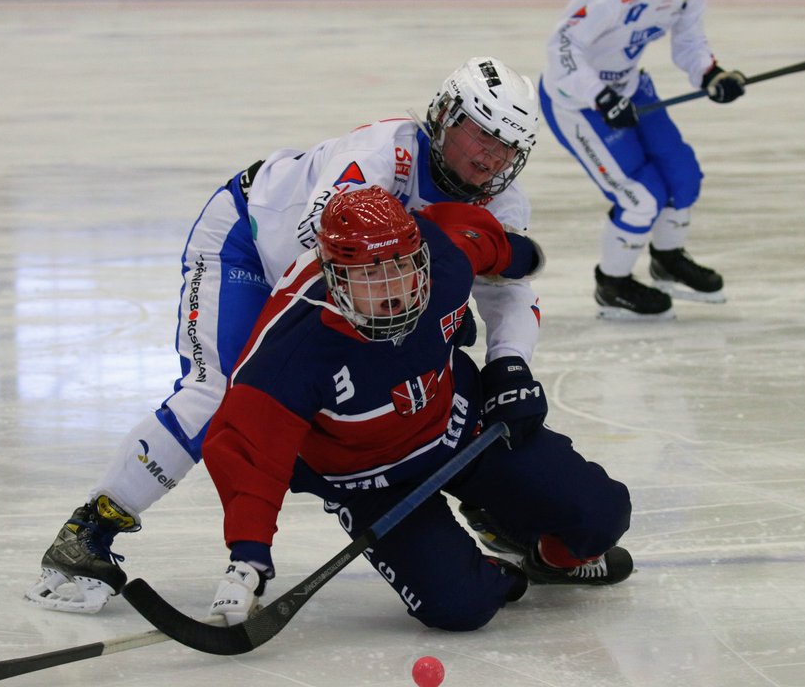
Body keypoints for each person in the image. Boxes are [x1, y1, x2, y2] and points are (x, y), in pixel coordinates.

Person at [25, 57, 546, 613]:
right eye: (480, 134)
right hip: (251, 248)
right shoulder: (378, 157)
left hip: (350, 284)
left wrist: (510, 361)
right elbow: (316, 261)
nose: (490, 157)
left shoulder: (500, 200)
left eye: (507, 147)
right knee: (218, 395)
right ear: (443, 117)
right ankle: (87, 533)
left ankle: (479, 505)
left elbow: (509, 288)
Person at [203, 186, 633, 632]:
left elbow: (480, 238)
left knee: (602, 515)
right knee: (461, 606)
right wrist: (247, 558)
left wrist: (519, 256)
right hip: (372, 483)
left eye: (402, 267)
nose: (393, 290)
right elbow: (250, 449)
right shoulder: (293, 343)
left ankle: (542, 556)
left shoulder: (442, 257)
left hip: (462, 428)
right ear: (334, 276)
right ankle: (483, 575)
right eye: (369, 275)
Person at [540, 0, 746, 319]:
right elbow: (562, 45)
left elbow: (689, 43)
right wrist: (599, 95)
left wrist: (712, 74)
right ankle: (612, 285)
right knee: (641, 197)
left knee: (683, 175)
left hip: (631, 88)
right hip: (577, 101)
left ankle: (667, 259)